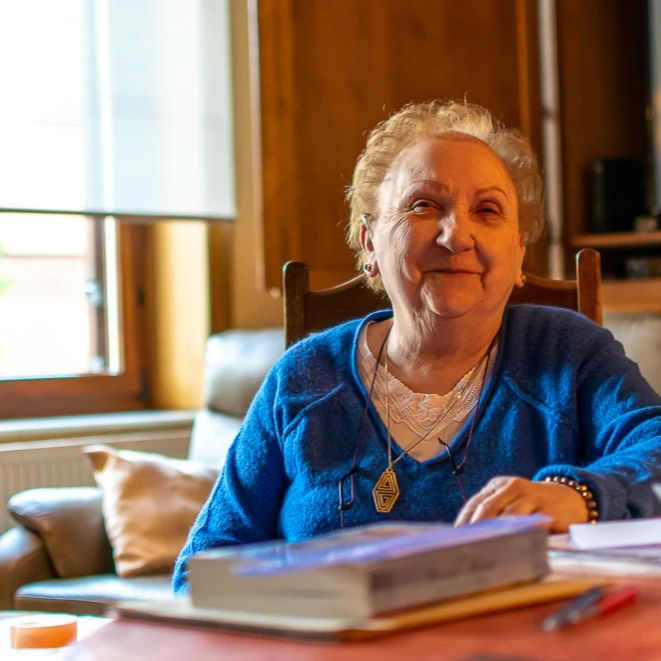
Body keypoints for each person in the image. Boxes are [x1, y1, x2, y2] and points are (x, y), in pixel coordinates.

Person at [173, 99, 661, 593]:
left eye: (487, 210)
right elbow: (201, 568)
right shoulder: (303, 376)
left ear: (518, 255)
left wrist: (580, 494)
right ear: (370, 243)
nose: (457, 236)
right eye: (424, 205)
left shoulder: (567, 352)